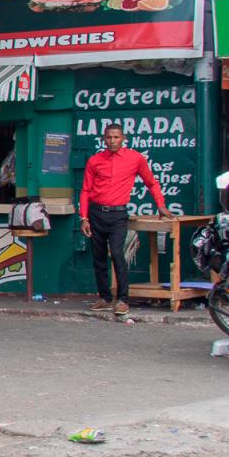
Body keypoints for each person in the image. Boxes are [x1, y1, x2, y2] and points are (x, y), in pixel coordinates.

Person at [79, 122, 172, 317]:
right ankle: (105, 298)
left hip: (117, 214)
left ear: (123, 139)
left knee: (117, 254)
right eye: (108, 137)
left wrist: (160, 205)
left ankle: (122, 299)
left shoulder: (135, 158)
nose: (112, 141)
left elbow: (151, 183)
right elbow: (86, 190)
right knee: (98, 257)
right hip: (95, 213)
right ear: (103, 139)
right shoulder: (95, 160)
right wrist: (84, 217)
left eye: (116, 137)